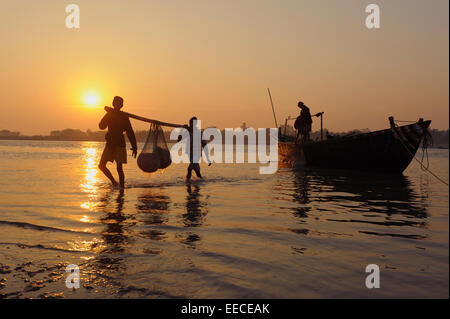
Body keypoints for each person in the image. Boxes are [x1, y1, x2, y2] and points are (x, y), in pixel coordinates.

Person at [98, 96, 137, 188]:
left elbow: (130, 132)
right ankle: (115, 184)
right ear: (113, 104)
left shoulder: (124, 117)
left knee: (119, 168)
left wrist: (134, 146)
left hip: (119, 144)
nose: (119, 105)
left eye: (120, 103)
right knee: (102, 166)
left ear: (121, 105)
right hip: (111, 144)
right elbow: (102, 126)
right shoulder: (111, 114)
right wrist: (108, 114)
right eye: (117, 103)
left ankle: (121, 187)